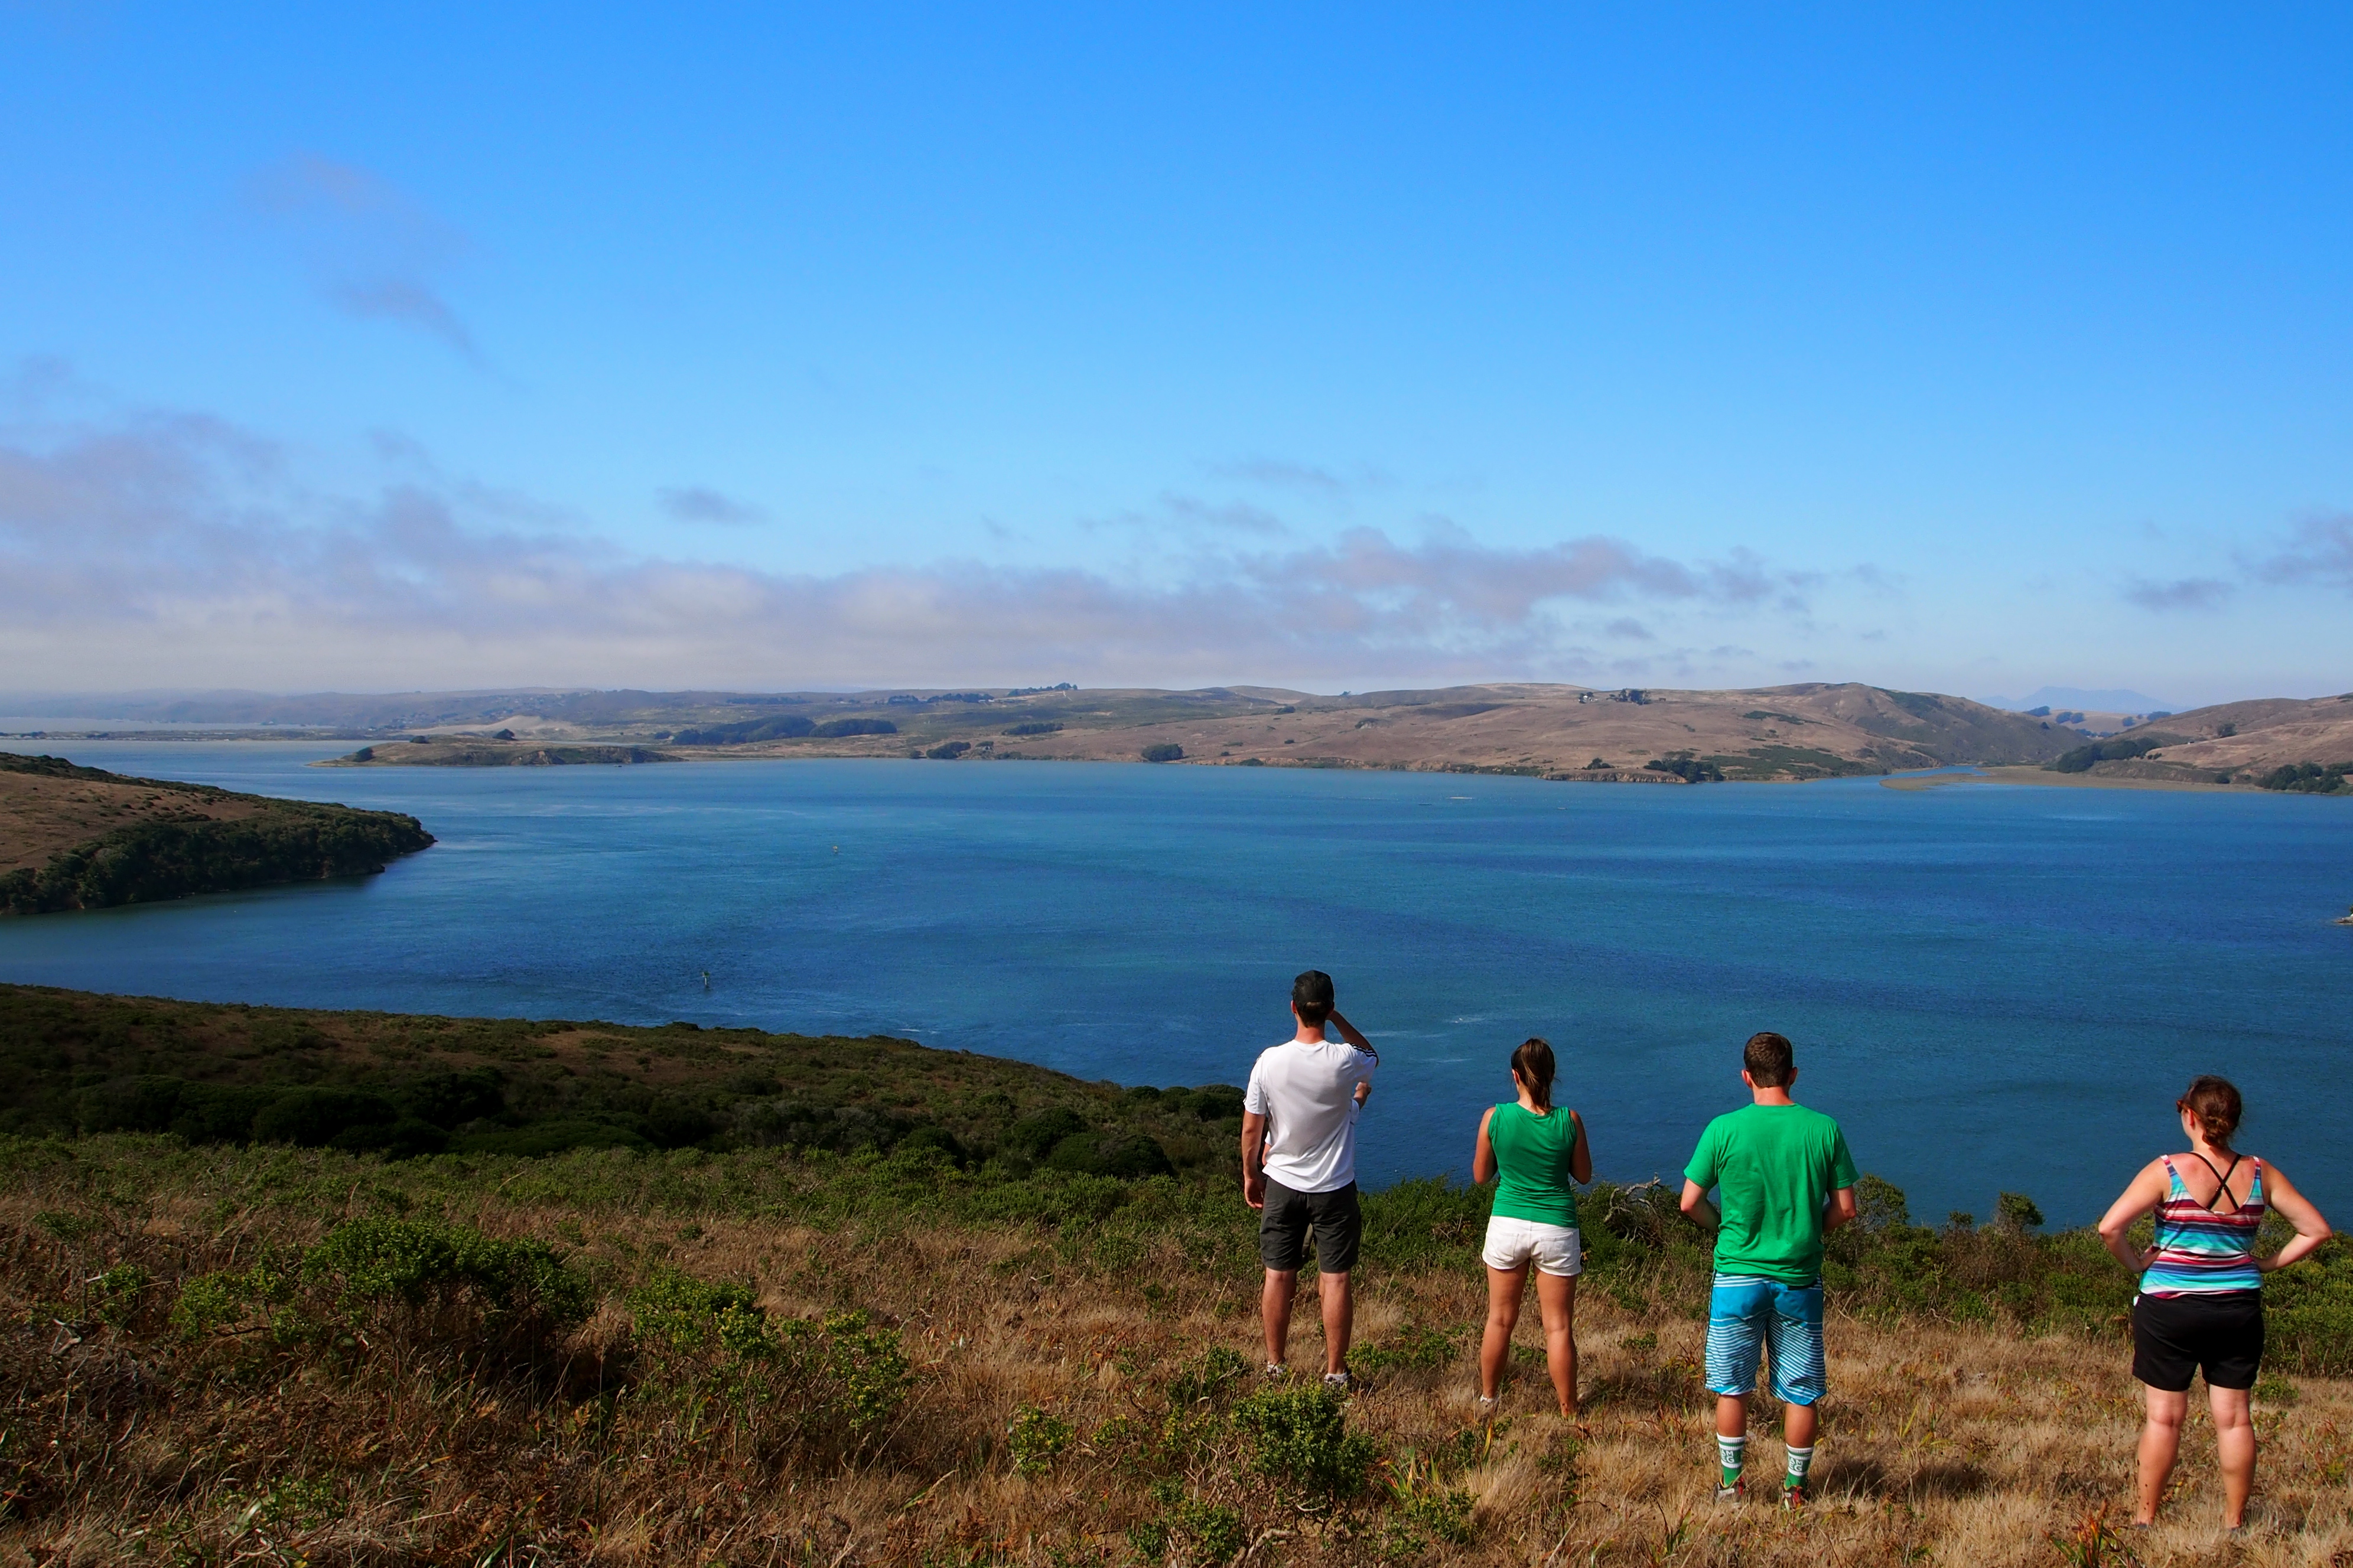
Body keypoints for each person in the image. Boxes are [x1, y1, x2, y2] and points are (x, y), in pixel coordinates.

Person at [2095, 1075, 2330, 1533]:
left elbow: (2109, 1228)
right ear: (2233, 1121)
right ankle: (2234, 1522)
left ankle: (2145, 1519)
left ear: (2189, 1115)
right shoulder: (2260, 1172)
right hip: (2236, 1309)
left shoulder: (2166, 1170)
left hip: (2169, 1309)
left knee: (2163, 1418)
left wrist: (2136, 1263)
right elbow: (2316, 1229)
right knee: (2235, 1419)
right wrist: (2265, 1264)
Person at [1680, 1031, 1858, 1509]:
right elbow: (1846, 1208)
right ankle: (1794, 1490)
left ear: (1746, 1077)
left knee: (1732, 1386)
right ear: (1792, 1074)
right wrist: (1811, 1231)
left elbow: (1689, 1202)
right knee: (1801, 1390)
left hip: (1737, 1275)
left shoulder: (1723, 1129)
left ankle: (1731, 1485)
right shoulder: (1823, 1129)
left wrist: (1721, 1228)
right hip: (1798, 1276)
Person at [1241, 969, 1378, 1391]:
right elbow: (1370, 1054)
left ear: (1293, 1008)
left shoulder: (1269, 1061)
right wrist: (1336, 1018)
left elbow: (1252, 1128)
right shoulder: (1344, 1060)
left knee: (1278, 1275)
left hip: (1282, 1183)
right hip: (1334, 1186)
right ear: (1329, 1008)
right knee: (1335, 1278)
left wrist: (1250, 1173)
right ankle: (1335, 1373)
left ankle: (1275, 1367)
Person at [1470, 1038, 1591, 1422]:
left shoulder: (1495, 1117)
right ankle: (1568, 1410)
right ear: (1552, 1075)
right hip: (1556, 1226)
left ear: (1515, 1076)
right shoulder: (1569, 1120)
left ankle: (1489, 1399)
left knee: (1500, 1319)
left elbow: (1480, 1176)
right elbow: (1584, 1175)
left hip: (1507, 1223)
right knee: (1558, 1326)